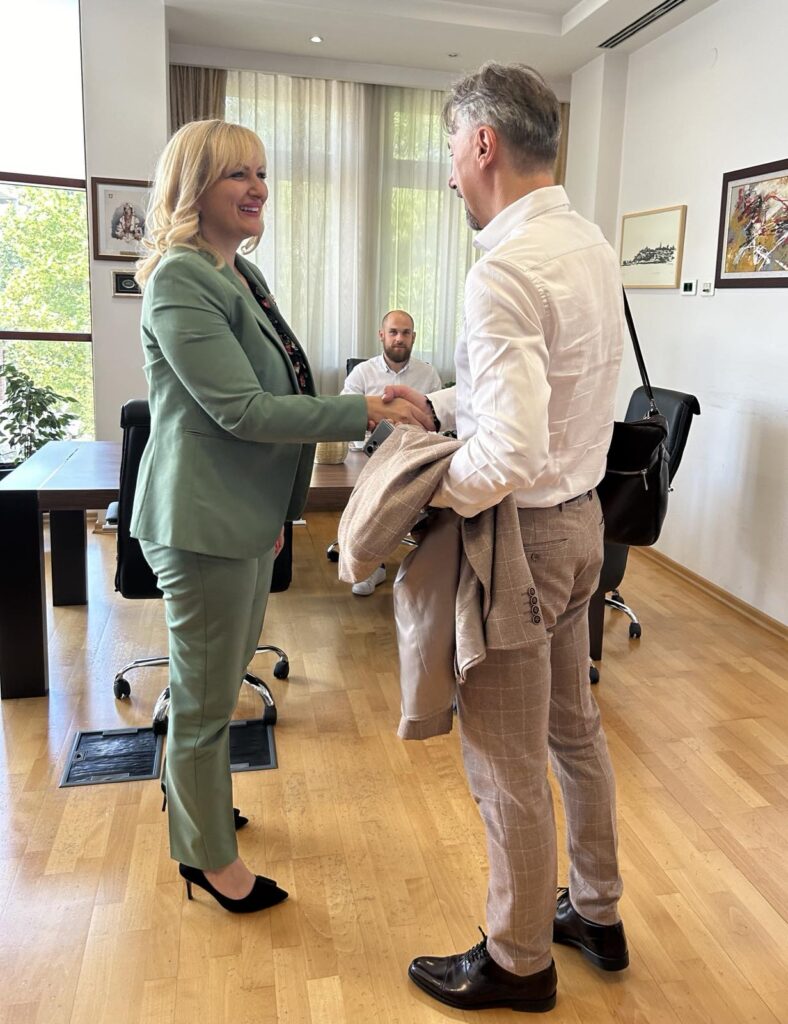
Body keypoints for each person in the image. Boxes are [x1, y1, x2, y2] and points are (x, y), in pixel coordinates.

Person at [131, 119, 429, 916]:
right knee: (205, 703)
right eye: (238, 174)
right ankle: (206, 859)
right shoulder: (180, 280)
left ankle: (195, 805)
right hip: (201, 520)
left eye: (261, 172)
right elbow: (243, 408)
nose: (258, 187)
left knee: (217, 684)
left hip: (243, 511)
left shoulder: (238, 274)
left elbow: (282, 382)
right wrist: (364, 410)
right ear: (194, 186)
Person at [383, 63, 627, 1012]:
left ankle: (520, 960)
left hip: (520, 543)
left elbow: (511, 452)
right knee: (573, 733)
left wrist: (428, 493)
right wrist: (443, 404)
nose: (449, 172)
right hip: (583, 524)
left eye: (451, 148)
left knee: (505, 761)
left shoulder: (503, 270)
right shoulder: (588, 244)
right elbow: (546, 393)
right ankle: (595, 910)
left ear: (483, 143)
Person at [341, 310, 442, 595]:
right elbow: (345, 412)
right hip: (371, 453)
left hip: (415, 452)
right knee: (376, 493)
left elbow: (438, 422)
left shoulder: (428, 374)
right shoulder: (362, 372)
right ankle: (371, 566)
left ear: (413, 337)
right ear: (382, 335)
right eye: (394, 332)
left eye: (406, 333)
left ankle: (428, 565)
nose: (400, 338)